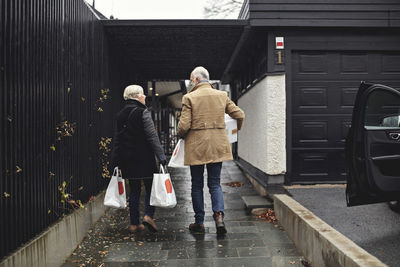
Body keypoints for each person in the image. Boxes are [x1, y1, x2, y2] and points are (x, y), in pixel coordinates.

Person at [177, 66, 245, 234]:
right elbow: (240, 115)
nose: (191, 82)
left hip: (197, 147)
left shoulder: (189, 98)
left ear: (198, 79)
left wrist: (180, 135)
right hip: (217, 145)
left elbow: (184, 126)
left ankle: (199, 222)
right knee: (215, 183)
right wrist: (234, 131)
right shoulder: (222, 95)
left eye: (192, 80)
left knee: (197, 185)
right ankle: (219, 217)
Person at [111, 85, 167, 233]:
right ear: (136, 96)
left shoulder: (120, 115)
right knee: (150, 188)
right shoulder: (143, 112)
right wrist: (161, 156)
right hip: (144, 157)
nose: (145, 97)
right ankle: (148, 216)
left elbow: (118, 139)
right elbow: (152, 136)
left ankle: (134, 224)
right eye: (143, 95)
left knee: (134, 190)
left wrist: (115, 161)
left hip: (127, 159)